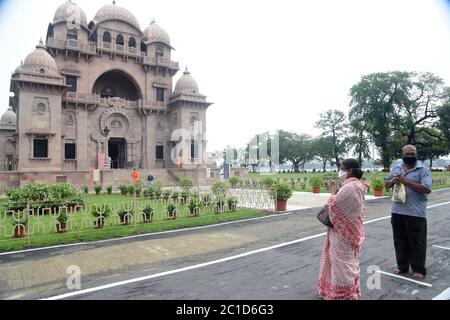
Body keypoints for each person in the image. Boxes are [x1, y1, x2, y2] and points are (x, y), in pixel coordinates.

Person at [318, 158, 369, 300]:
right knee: (346, 263)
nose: (340, 171)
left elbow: (334, 206)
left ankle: (344, 294)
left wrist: (333, 193)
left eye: (342, 168)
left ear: (350, 171)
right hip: (350, 230)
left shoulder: (350, 187)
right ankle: (342, 291)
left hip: (343, 234)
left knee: (342, 266)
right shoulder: (357, 185)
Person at [385, 144, 432, 280]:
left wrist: (406, 180)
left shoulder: (423, 170)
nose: (409, 156)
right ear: (402, 154)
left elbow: (427, 189)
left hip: (415, 213)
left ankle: (418, 269)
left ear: (416, 155)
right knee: (399, 240)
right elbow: (386, 184)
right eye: (407, 154)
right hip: (397, 211)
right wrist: (393, 180)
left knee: (417, 242)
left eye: (412, 154)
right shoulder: (397, 167)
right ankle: (402, 266)